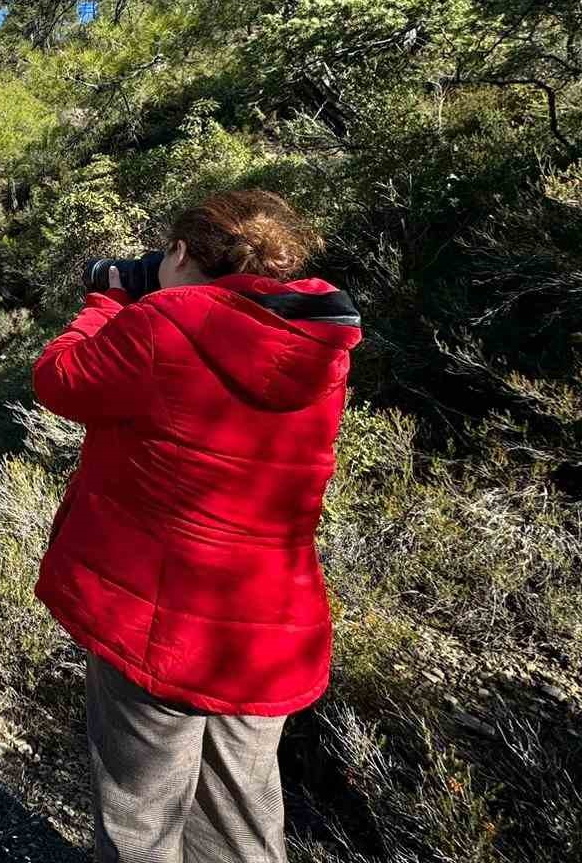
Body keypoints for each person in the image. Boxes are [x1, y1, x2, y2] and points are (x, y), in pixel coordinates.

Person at [32, 189, 362, 863]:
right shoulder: (323, 347)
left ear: (181, 252)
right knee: (242, 825)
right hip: (269, 628)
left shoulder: (162, 325)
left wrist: (107, 300)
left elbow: (60, 379)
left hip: (158, 623)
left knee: (143, 822)